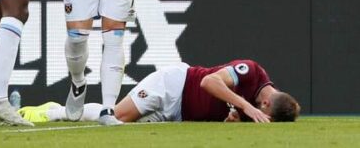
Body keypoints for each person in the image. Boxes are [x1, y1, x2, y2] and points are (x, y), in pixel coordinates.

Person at [19, 59, 301, 123]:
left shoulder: (257, 110)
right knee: (117, 116)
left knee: (119, 122)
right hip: (174, 85)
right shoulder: (250, 71)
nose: (257, 115)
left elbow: (228, 113)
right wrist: (245, 106)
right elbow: (209, 82)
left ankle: (59, 111)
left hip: (179, 115)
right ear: (267, 103)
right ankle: (53, 112)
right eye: (261, 112)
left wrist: (233, 118)